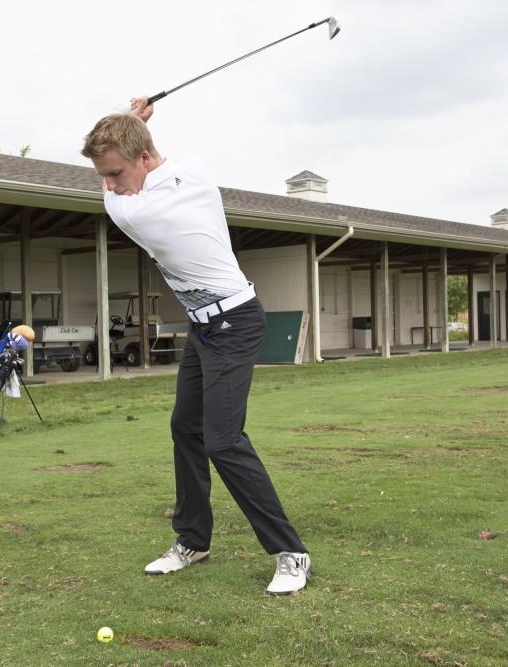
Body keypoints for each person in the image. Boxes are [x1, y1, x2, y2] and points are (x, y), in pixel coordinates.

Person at [81, 97, 310, 595]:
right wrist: (132, 126)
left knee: (223, 439)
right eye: (109, 175)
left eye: (117, 172)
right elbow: (141, 157)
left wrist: (131, 122)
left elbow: (111, 193)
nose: (113, 182)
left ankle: (291, 553)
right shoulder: (196, 173)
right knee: (185, 427)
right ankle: (193, 540)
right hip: (204, 327)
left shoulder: (137, 212)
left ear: (143, 160)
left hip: (236, 323)